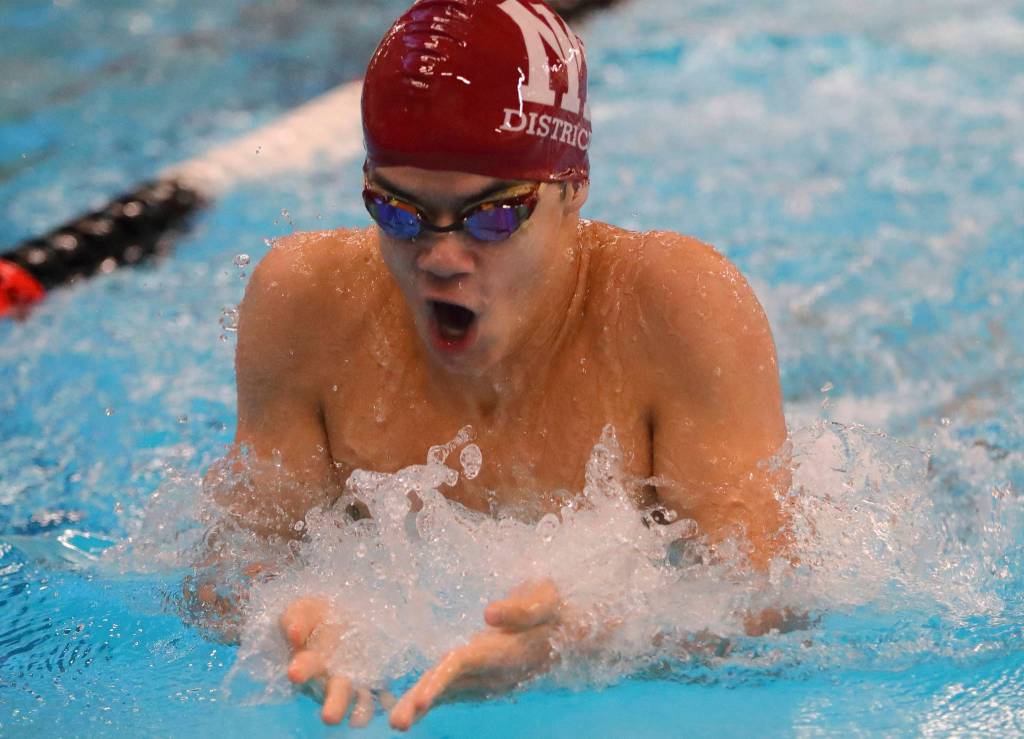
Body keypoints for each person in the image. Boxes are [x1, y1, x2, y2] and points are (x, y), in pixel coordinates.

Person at [193, 0, 791, 730]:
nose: (440, 257)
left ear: (572, 191)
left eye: (493, 216)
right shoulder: (307, 304)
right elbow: (226, 566)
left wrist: (585, 638)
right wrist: (289, 613)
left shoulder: (675, 308)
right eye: (399, 212)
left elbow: (768, 598)